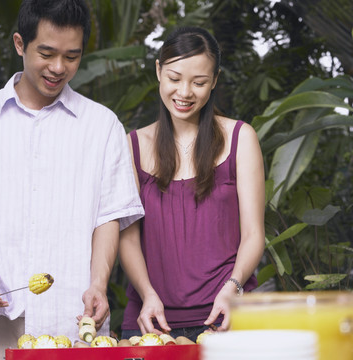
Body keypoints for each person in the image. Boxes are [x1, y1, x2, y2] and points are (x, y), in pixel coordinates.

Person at [0, 0, 144, 358]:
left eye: (71, 56)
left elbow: (108, 216)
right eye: (46, 53)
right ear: (19, 44)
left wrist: (97, 283)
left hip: (75, 318)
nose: (58, 67)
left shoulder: (103, 126)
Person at [119, 26, 265, 343]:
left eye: (198, 82)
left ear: (213, 81)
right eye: (174, 78)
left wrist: (233, 288)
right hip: (150, 322)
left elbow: (254, 233)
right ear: (158, 71)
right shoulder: (132, 145)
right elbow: (127, 239)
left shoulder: (240, 138)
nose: (185, 92)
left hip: (228, 316)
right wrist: (147, 294)